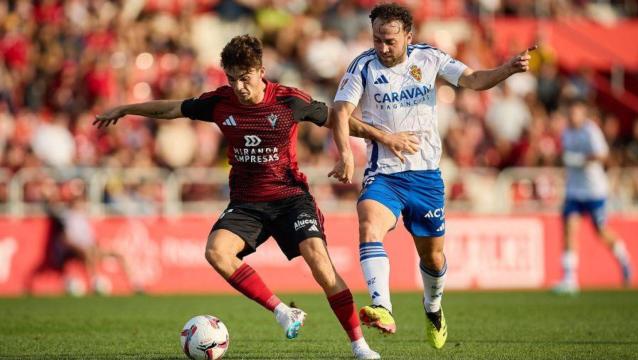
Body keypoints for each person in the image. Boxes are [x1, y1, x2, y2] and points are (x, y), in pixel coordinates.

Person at [94, 35, 417, 360]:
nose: (238, 86)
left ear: (260, 71)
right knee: (216, 252)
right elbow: (172, 109)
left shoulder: (289, 100)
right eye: (231, 79)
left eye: (244, 78)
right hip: (247, 203)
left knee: (319, 261)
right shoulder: (219, 102)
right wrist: (126, 108)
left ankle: (360, 347)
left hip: (291, 198)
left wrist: (382, 138)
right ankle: (282, 312)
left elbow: (337, 118)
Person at [328, 2, 535, 349]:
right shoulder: (362, 66)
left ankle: (433, 306)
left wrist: (508, 69)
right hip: (385, 174)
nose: (383, 47)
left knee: (433, 258)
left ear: (409, 36)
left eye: (390, 40)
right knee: (368, 222)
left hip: (426, 177)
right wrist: (353, 150)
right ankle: (382, 306)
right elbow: (340, 113)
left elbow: (472, 79)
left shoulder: (429, 58)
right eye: (378, 39)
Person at [553, 100, 632, 294]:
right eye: (570, 113)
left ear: (583, 114)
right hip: (574, 190)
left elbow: (603, 155)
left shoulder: (591, 131)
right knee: (569, 229)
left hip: (594, 190)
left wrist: (581, 159)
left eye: (576, 113)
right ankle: (570, 279)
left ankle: (624, 258)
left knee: (600, 230)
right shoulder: (566, 132)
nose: (572, 117)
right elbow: (563, 156)